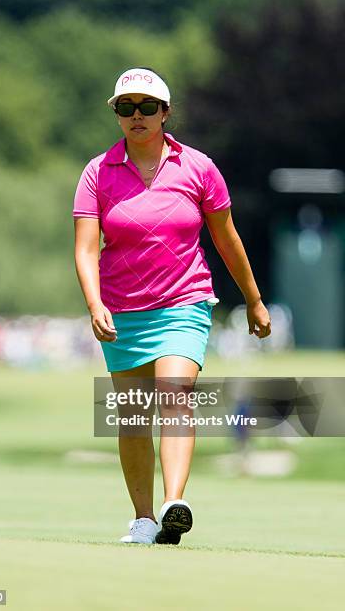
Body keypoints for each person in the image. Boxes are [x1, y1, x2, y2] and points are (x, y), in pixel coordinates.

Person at [72, 67, 271, 545]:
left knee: (175, 394)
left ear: (165, 112)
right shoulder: (97, 172)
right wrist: (94, 302)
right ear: (116, 114)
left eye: (146, 107)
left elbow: (226, 238)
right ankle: (143, 519)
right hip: (121, 309)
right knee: (134, 416)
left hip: (185, 300)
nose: (136, 116)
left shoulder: (198, 167)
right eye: (126, 108)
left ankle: (172, 502)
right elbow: (84, 248)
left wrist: (254, 299)